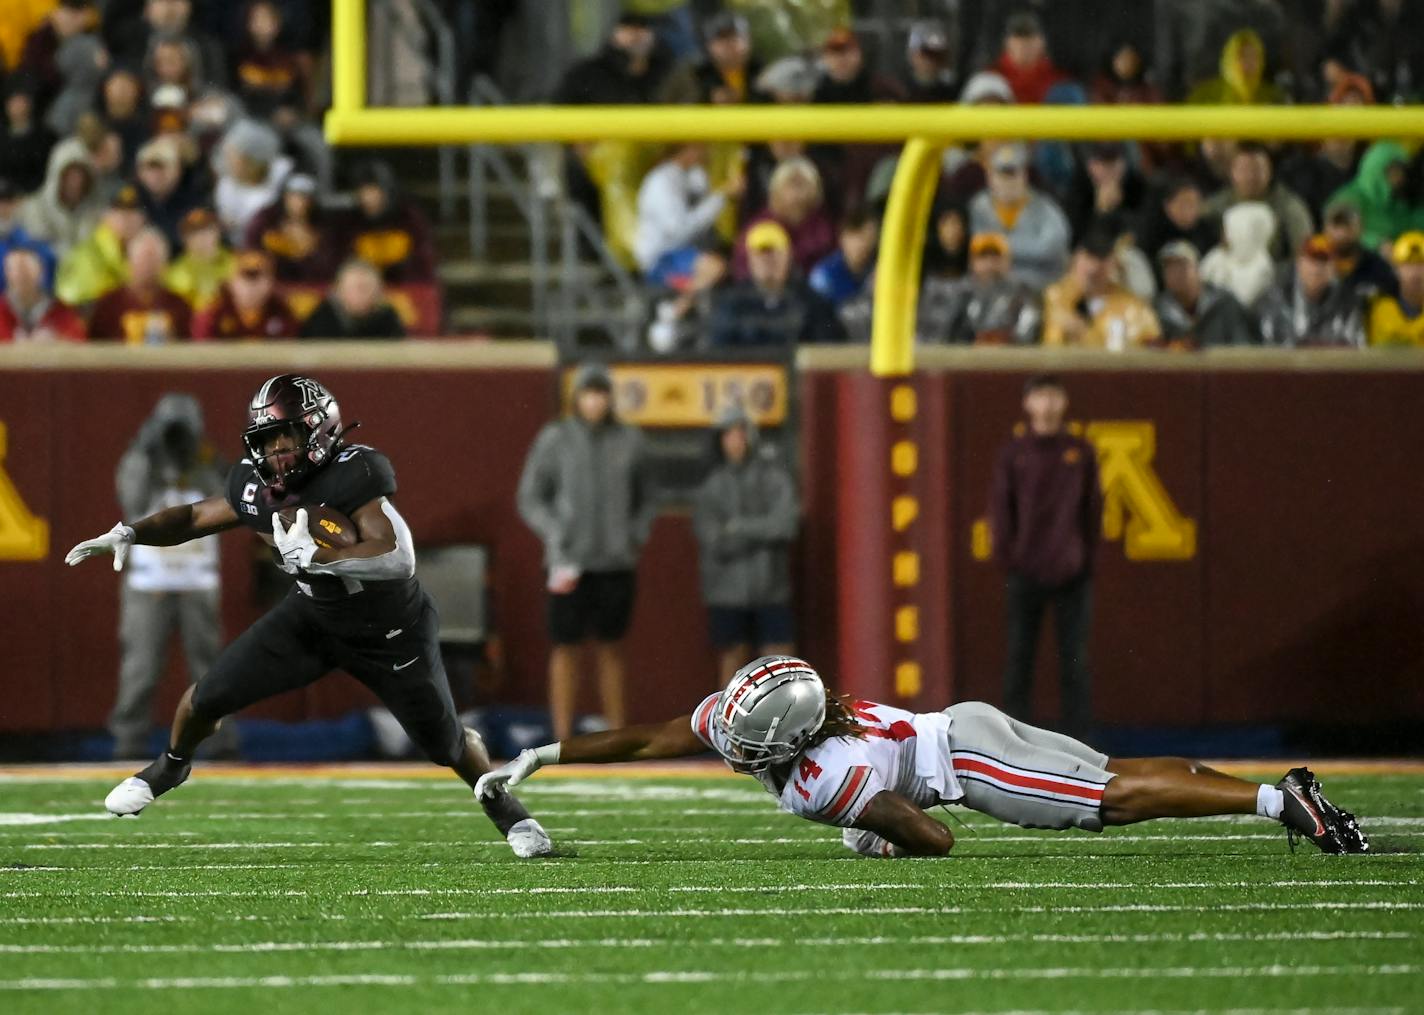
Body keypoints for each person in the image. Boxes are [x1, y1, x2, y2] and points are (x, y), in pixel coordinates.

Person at [66, 373, 554, 858]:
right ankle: (170, 766)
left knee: (446, 744)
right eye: (267, 439)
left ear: (318, 430)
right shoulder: (255, 484)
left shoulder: (355, 474)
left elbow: (397, 558)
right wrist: (131, 533)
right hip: (314, 618)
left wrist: (321, 560)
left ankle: (510, 813)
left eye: (286, 436)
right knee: (205, 698)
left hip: (389, 630)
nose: (276, 450)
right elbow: (195, 517)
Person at [476, 655, 1369, 857]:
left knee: (1118, 798)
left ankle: (1278, 803)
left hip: (970, 765)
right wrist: (546, 753)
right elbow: (650, 735)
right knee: (1117, 776)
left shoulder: (826, 775)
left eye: (747, 742)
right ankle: (1274, 791)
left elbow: (938, 842)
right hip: (963, 725)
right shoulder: (776, 722)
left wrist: (875, 830)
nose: (727, 746)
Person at [517, 363, 656, 742]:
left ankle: (616, 734)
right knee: (566, 647)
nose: (595, 401)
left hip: (615, 561)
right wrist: (555, 531)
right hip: (568, 562)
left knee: (612, 647)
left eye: (601, 393)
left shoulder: (631, 441)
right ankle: (561, 737)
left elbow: (647, 497)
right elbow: (530, 496)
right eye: (588, 393)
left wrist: (634, 535)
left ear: (610, 398)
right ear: (576, 397)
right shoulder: (555, 439)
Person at [107, 394, 228, 758]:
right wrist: (147, 451)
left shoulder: (206, 462)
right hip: (149, 584)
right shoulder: (140, 462)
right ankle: (128, 743)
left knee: (211, 669)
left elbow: (227, 498)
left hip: (197, 583)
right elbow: (132, 501)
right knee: (140, 668)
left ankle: (221, 743)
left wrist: (197, 455)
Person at [989, 375, 1101, 739]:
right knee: (1019, 658)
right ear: (1028, 404)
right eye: (1040, 397)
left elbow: (1092, 511)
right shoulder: (1014, 453)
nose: (1048, 405)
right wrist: (1011, 559)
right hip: (1025, 573)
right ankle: (1011, 741)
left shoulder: (1080, 452)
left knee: (1074, 662)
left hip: (1072, 573)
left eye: (1054, 396)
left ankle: (1079, 741)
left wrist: (1085, 561)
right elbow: (1001, 511)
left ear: (1064, 402)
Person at [693, 407, 798, 684]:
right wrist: (761, 531)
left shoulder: (775, 479)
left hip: (771, 588)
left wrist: (738, 527)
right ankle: (728, 724)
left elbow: (785, 524)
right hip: (726, 592)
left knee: (780, 662)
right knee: (732, 660)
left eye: (740, 433)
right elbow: (713, 540)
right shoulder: (711, 487)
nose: (735, 441)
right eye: (728, 435)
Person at [710, 221, 843, 348]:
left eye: (774, 253)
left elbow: (827, 349)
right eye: (761, 254)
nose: (767, 260)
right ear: (750, 259)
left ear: (788, 256)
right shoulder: (732, 303)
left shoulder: (812, 303)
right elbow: (719, 352)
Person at [967, 142, 1071, 290]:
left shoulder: (1045, 207)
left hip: (1038, 287)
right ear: (990, 176)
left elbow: (1051, 248)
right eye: (1002, 174)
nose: (1008, 182)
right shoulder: (979, 206)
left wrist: (1002, 248)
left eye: (1013, 174)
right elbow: (978, 246)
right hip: (989, 288)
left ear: (1024, 176)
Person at [633, 142, 739, 286]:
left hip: (684, 250)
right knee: (714, 267)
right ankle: (675, 308)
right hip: (662, 257)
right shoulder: (662, 181)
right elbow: (680, 231)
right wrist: (722, 197)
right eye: (702, 147)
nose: (708, 152)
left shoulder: (689, 175)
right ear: (688, 150)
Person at [1042, 229, 1161, 349]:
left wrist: (1085, 334)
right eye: (1088, 258)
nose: (1093, 267)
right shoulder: (1053, 297)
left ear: (1114, 264)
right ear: (1074, 260)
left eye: (1101, 260)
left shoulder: (1133, 307)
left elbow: (1150, 348)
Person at [921, 232, 1040, 346]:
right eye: (983, 257)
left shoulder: (1022, 293)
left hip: (1009, 359)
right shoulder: (961, 293)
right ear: (972, 262)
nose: (990, 264)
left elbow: (1027, 331)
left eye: (996, 257)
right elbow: (946, 335)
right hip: (967, 360)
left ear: (1007, 261)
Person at [1202, 142, 1314, 263]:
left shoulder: (1289, 206)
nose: (1251, 176)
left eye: (1257, 170)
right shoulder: (1215, 205)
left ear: (1269, 172)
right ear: (1232, 172)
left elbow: (1304, 251)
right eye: (1244, 170)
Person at [734, 156, 836, 280]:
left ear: (815, 190)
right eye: (791, 184)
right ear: (776, 191)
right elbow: (742, 266)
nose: (797, 192)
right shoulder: (760, 225)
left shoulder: (824, 227)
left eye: (802, 184)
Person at [1257, 234, 1367, 347]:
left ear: (1334, 269)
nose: (1317, 269)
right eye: (1311, 260)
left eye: (1324, 261)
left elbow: (1356, 350)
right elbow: (1267, 349)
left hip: (1331, 364)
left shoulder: (1347, 303)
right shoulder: (1276, 298)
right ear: (1299, 263)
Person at [89, 227, 192, 342]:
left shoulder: (179, 305)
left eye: (154, 260)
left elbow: (188, 348)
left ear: (165, 265)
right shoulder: (108, 304)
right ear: (129, 263)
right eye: (143, 259)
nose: (149, 267)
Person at [342, 160, 436, 285]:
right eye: (363, 192)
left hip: (405, 289)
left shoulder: (409, 218)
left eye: (374, 191)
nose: (368, 198)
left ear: (388, 192)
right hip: (362, 293)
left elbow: (424, 262)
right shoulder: (350, 223)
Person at [54, 183, 145, 306]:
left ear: (143, 218)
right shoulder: (86, 255)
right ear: (105, 216)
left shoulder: (150, 255)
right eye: (118, 210)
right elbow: (71, 303)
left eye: (133, 210)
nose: (126, 218)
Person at [1153, 240, 1256, 348]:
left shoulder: (1226, 305)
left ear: (1198, 270)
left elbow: (1243, 349)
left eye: (1182, 265)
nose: (1176, 273)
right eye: (1169, 267)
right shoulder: (1157, 312)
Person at [16, 137, 103, 257]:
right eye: (69, 176)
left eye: (80, 175)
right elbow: (36, 251)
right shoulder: (35, 209)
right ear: (56, 177)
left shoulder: (96, 214)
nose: (75, 183)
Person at [244, 173, 338, 283]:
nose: (299, 203)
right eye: (294, 196)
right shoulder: (266, 220)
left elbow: (327, 265)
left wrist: (307, 248)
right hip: (271, 283)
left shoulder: (323, 226)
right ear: (285, 197)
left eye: (304, 198)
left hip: (309, 285)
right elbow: (252, 252)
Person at [192, 248, 298, 340]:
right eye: (244, 278)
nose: (251, 288)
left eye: (259, 278)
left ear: (270, 283)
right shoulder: (212, 316)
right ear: (231, 282)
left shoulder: (283, 313)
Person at [298, 259, 405, 340]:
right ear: (338, 291)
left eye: (367, 288)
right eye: (356, 288)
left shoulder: (387, 316)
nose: (362, 295)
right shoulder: (321, 318)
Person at [1199, 201, 1278, 310]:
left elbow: (1241, 303)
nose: (1223, 236)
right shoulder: (1217, 255)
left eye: (1228, 230)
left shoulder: (1262, 268)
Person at [0, 245, 86, 341]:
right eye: (15, 270)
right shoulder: (2, 308)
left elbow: (79, 340)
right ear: (6, 274)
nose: (21, 276)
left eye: (27, 270)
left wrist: (58, 339)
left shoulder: (61, 310)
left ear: (41, 272)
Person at [1324, 196, 1399, 300]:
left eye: (1348, 226)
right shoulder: (1315, 265)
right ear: (1325, 229)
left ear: (1361, 228)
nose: (1342, 233)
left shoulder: (1378, 268)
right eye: (1337, 226)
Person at [1187, 28, 1287, 105]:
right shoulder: (1206, 95)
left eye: (1254, 56)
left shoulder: (1272, 97)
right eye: (1243, 56)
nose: (1250, 62)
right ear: (1230, 58)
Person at [162, 207, 233, 312]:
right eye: (194, 233)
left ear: (218, 232)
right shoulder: (174, 274)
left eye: (208, 230)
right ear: (184, 239)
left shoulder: (236, 264)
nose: (203, 237)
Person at [991, 12, 1066, 105]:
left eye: (1029, 39)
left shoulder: (1058, 82)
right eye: (1017, 39)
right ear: (1007, 43)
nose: (1023, 45)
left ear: (1042, 43)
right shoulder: (991, 79)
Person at [808, 210, 877, 310]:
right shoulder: (823, 277)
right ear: (842, 237)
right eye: (855, 236)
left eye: (868, 238)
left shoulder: (877, 270)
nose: (862, 244)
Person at [1367, 231, 1424, 346]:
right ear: (1396, 270)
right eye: (1408, 265)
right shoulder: (1378, 309)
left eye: (1421, 265)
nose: (1415, 273)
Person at [899, 21, 959, 103]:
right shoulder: (899, 91)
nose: (932, 61)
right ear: (913, 55)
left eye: (938, 55)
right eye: (927, 54)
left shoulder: (954, 93)